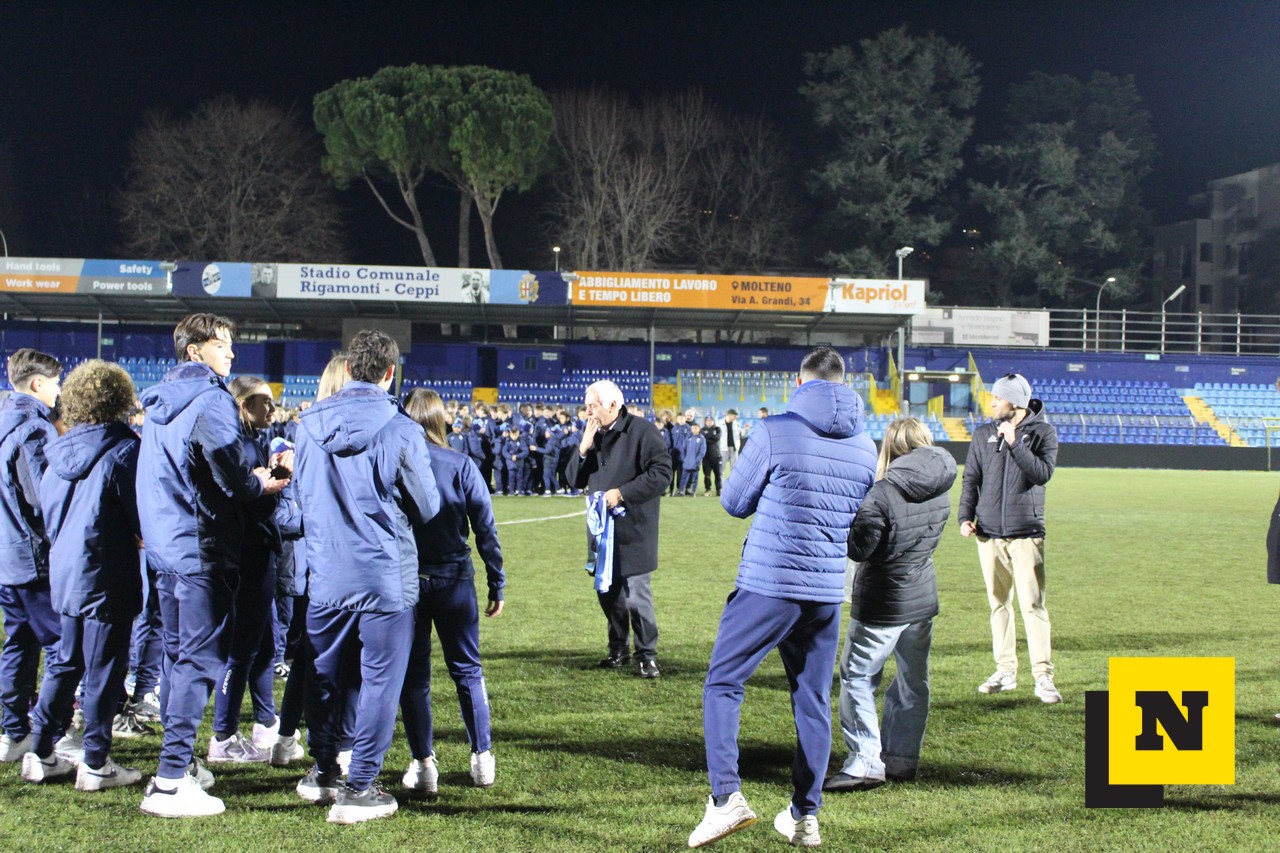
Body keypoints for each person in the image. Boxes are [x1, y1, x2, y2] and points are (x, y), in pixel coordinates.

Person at [689, 347, 876, 849]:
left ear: (800, 381)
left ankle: (725, 799)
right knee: (812, 700)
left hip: (771, 583)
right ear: (844, 382)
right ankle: (804, 815)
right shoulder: (865, 444)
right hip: (826, 591)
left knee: (723, 683)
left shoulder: (776, 430)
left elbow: (734, 502)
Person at [137, 314, 288, 818]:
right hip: (200, 545)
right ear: (194, 350)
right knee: (199, 661)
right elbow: (234, 480)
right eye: (222, 344)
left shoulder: (161, 401)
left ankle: (178, 763)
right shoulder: (210, 400)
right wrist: (262, 481)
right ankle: (170, 779)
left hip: (166, 545)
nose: (231, 353)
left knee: (177, 655)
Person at [293, 330, 439, 825]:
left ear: (350, 369)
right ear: (390, 373)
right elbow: (427, 505)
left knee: (324, 675)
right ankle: (359, 787)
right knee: (380, 681)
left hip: (327, 571)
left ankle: (323, 770)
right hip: (382, 575)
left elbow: (301, 497)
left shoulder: (307, 426)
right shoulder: (401, 429)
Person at [21, 360, 145, 789]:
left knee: (64, 662)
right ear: (119, 399)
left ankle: (40, 751)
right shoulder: (124, 450)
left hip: (67, 569)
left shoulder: (57, 450)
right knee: (105, 670)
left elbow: (46, 510)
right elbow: (139, 514)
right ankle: (95, 761)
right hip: (108, 570)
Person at [825, 418, 956, 792]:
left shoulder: (882, 493)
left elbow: (860, 549)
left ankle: (866, 761)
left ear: (891, 447)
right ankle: (901, 757)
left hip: (884, 600)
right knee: (913, 679)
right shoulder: (941, 486)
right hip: (922, 596)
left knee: (857, 676)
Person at [399, 389, 505, 795]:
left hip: (409, 581)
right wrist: (496, 580)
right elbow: (485, 528)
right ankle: (482, 758)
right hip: (454, 578)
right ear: (441, 419)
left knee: (415, 676)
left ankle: (424, 764)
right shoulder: (460, 464)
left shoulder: (395, 463)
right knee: (467, 670)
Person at [958, 373, 1061, 705]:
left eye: (997, 398)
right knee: (998, 604)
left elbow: (1042, 474)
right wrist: (965, 517)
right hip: (988, 534)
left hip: (1026, 534)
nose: (991, 403)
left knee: (1033, 605)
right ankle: (1005, 671)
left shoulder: (1043, 433)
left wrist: (1016, 442)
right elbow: (971, 479)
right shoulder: (982, 435)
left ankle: (1043, 676)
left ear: (1014, 402)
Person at [566, 380, 671, 678]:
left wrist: (623, 493)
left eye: (592, 406)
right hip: (602, 533)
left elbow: (662, 473)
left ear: (613, 405)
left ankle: (647, 655)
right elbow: (573, 480)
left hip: (634, 529)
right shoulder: (592, 435)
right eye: (586, 406)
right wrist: (583, 449)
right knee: (608, 593)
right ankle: (618, 649)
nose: (587, 412)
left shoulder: (643, 431)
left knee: (637, 595)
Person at [208, 377, 285, 764]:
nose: (271, 409)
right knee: (241, 647)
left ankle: (265, 721)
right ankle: (222, 734)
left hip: (257, 552)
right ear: (243, 405)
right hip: (248, 553)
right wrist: (276, 483)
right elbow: (247, 502)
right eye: (263, 402)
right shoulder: (238, 445)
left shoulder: (251, 441)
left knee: (264, 642)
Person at [0, 349, 66, 763]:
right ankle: (52, 736)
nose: (59, 391)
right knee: (62, 646)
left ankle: (14, 732)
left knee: (19, 642)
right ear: (38, 383)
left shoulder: (5, 420)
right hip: (33, 556)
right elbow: (45, 497)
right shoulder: (34, 428)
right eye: (56, 383)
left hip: (7, 556)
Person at [679, 423, 706, 496]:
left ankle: (693, 492)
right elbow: (683, 449)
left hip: (695, 462)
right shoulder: (688, 438)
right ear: (691, 429)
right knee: (684, 477)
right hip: (687, 461)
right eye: (693, 428)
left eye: (696, 428)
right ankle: (681, 491)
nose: (694, 430)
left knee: (695, 478)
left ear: (699, 429)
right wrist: (684, 458)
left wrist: (697, 460)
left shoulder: (702, 438)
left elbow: (702, 452)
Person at [700, 415, 723, 497]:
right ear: (705, 421)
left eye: (711, 420)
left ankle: (718, 489)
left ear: (713, 421)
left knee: (718, 474)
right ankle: (708, 489)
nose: (709, 422)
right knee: (707, 475)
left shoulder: (717, 429)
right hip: (706, 457)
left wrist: (707, 437)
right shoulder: (702, 430)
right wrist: (711, 437)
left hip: (717, 456)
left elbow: (717, 438)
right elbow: (703, 439)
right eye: (707, 420)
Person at [721, 409, 740, 475]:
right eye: (734, 416)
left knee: (734, 468)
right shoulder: (719, 424)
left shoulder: (737, 424)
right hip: (723, 448)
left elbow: (741, 435)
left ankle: (733, 481)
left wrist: (746, 430)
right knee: (721, 468)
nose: (735, 417)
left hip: (734, 448)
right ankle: (720, 482)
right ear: (729, 415)